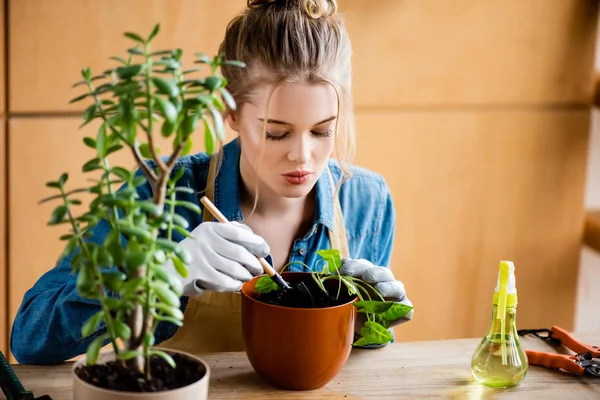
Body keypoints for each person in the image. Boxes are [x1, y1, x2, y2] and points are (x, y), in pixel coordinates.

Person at [10, 0, 413, 364]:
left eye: (323, 131)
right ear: (230, 112)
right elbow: (30, 337)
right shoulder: (163, 191)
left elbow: (357, 362)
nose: (303, 156)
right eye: (277, 133)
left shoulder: (367, 201)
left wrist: (372, 323)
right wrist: (160, 275)